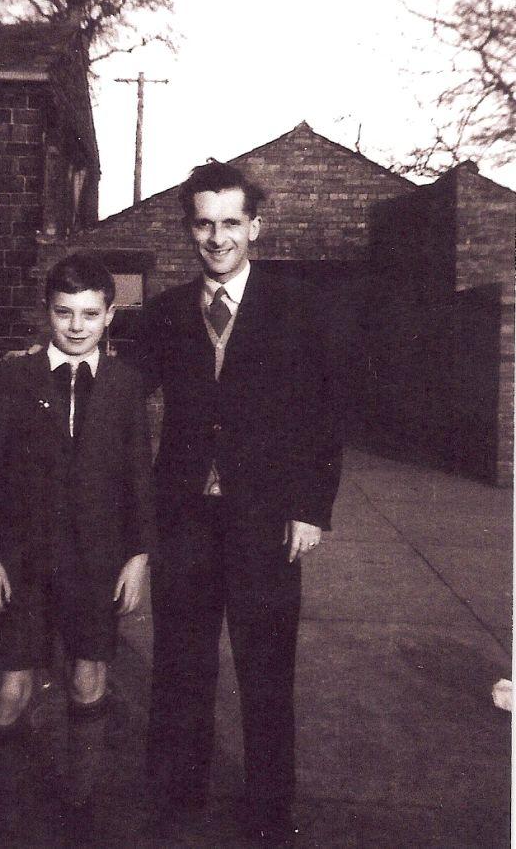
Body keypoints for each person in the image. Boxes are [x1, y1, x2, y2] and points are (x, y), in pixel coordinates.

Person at [136, 161, 343, 846]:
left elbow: (323, 414)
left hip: (266, 521)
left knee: (264, 667)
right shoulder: (166, 314)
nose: (217, 237)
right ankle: (180, 790)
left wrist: (311, 507)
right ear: (188, 229)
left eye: (230, 222)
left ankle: (268, 806)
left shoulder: (296, 308)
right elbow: (121, 396)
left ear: (254, 225)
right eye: (203, 223)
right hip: (186, 518)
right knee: (182, 661)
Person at [0, 253, 156, 751]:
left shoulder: (126, 385)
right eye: (63, 311)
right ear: (46, 311)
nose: (76, 326)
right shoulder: (10, 379)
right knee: (11, 690)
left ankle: (80, 802)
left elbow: (138, 477)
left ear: (110, 315)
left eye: (90, 314)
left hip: (95, 559)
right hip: (23, 560)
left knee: (88, 679)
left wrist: (138, 556)